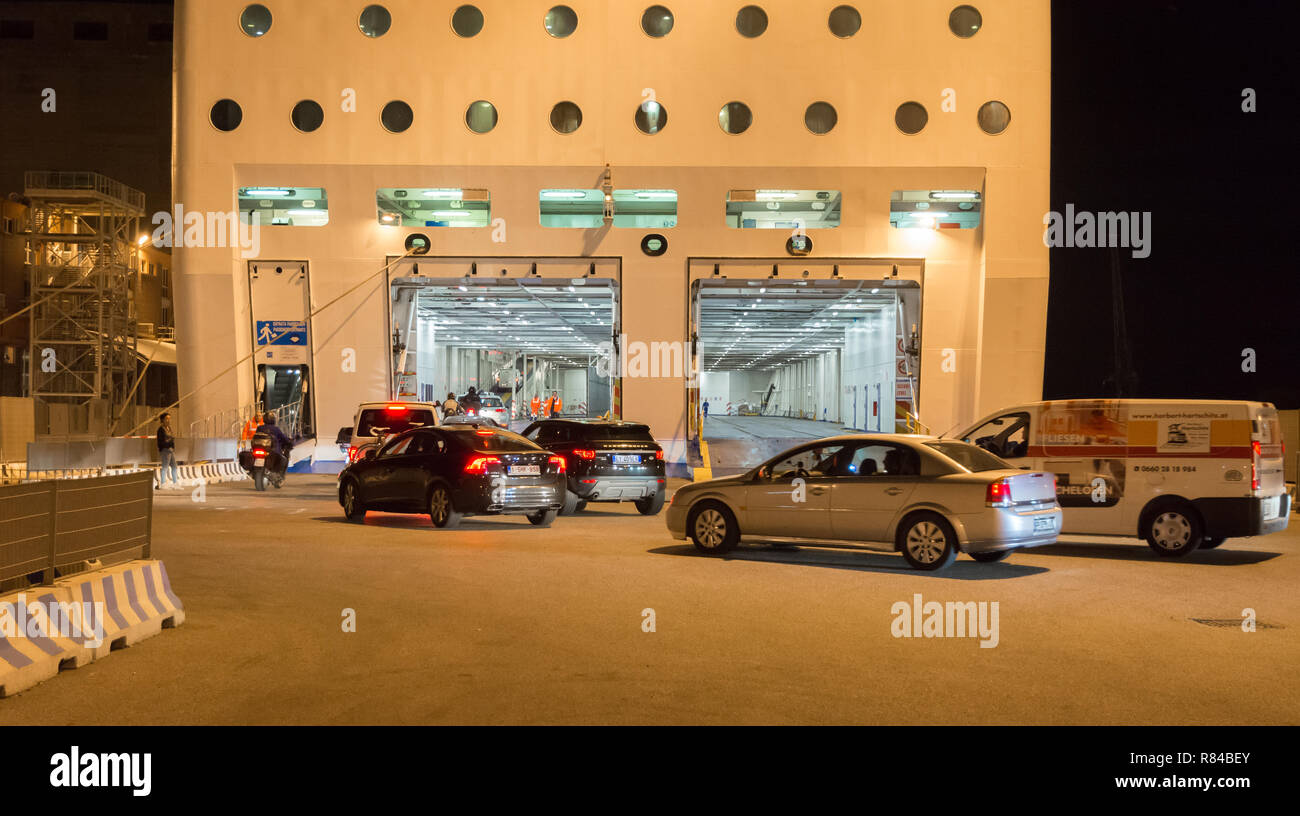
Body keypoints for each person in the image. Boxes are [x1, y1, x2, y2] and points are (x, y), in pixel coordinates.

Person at [156, 412, 179, 489]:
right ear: (162, 420)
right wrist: (170, 441)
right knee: (165, 466)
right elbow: (161, 441)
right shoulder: (160, 430)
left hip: (170, 449)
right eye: (167, 419)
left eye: (169, 418)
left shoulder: (169, 428)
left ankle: (175, 483)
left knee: (174, 466)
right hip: (165, 450)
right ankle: (163, 483)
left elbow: (171, 438)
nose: (168, 420)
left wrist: (172, 445)